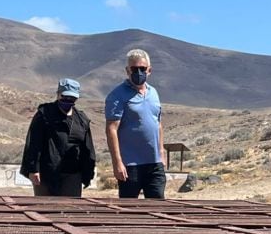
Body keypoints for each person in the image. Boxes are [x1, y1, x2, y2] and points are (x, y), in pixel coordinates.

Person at [105, 49, 166, 199]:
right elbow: (111, 129)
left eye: (142, 69)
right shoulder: (117, 95)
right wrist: (117, 163)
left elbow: (158, 124)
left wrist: (161, 153)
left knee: (159, 207)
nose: (138, 72)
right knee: (130, 210)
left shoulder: (154, 93)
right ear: (127, 70)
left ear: (149, 70)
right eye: (134, 69)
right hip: (130, 165)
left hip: (154, 163)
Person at [19, 78, 96, 197]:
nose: (68, 100)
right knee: (44, 208)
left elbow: (88, 148)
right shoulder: (44, 114)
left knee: (69, 210)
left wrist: (88, 174)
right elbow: (34, 143)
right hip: (46, 174)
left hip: (72, 174)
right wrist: (33, 169)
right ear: (58, 94)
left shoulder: (81, 120)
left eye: (72, 98)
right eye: (65, 97)